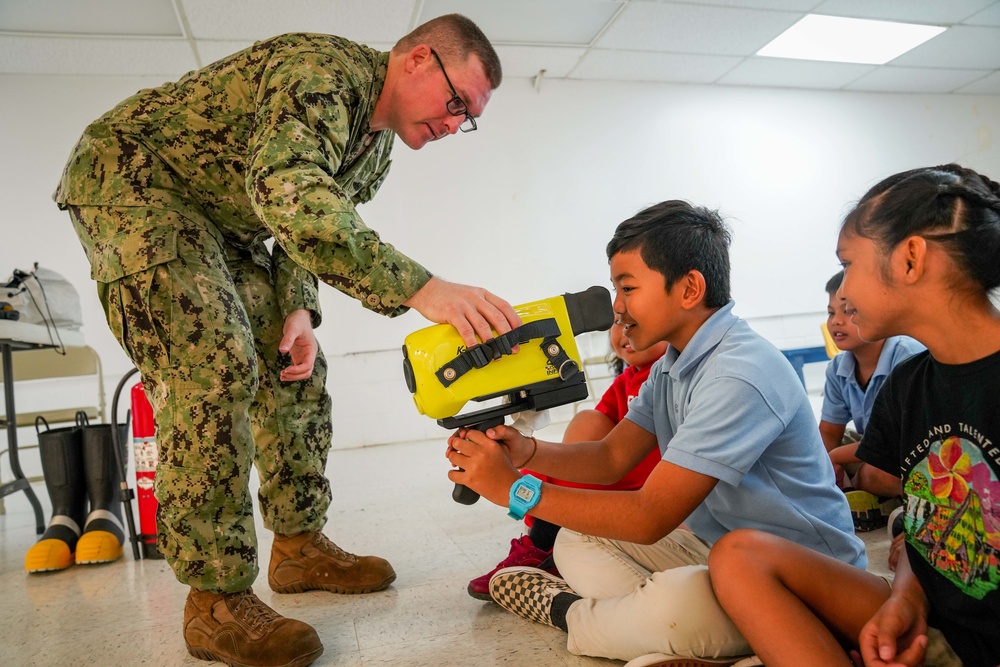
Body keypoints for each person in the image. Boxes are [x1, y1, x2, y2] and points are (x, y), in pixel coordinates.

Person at [53, 15, 520, 667]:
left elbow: (310, 222)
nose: (452, 126)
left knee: (294, 364)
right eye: (455, 104)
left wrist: (296, 309)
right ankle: (214, 600)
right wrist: (423, 288)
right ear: (418, 61)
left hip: (224, 220)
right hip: (134, 184)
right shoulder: (320, 77)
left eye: (465, 119)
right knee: (211, 362)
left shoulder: (375, 145)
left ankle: (298, 544)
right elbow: (291, 196)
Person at [445, 200, 865, 666]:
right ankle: (675, 628)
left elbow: (649, 517)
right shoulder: (674, 364)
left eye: (627, 288)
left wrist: (515, 491)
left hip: (797, 578)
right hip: (718, 549)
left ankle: (577, 617)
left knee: (676, 606)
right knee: (575, 540)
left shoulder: (738, 372)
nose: (617, 309)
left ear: (689, 288)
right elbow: (609, 458)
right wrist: (525, 451)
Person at [708, 164, 1000, 667]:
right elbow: (922, 531)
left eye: (848, 263)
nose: (842, 289)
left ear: (910, 259)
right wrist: (907, 597)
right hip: (938, 625)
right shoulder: (909, 388)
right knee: (738, 555)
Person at [467, 321, 668, 600]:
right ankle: (545, 535)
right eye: (618, 322)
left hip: (651, 482)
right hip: (620, 469)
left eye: (634, 322)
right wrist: (531, 458)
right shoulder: (628, 380)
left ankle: (542, 542)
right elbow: (602, 448)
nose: (623, 331)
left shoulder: (670, 375)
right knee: (588, 421)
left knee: (573, 456)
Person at [819, 269, 923, 530]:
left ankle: (892, 503)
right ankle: (857, 495)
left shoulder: (907, 357)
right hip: (871, 447)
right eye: (831, 312)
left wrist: (835, 457)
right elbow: (829, 432)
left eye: (849, 311)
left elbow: (896, 441)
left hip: (907, 450)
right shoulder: (838, 368)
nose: (837, 322)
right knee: (810, 449)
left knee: (874, 474)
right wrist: (821, 463)